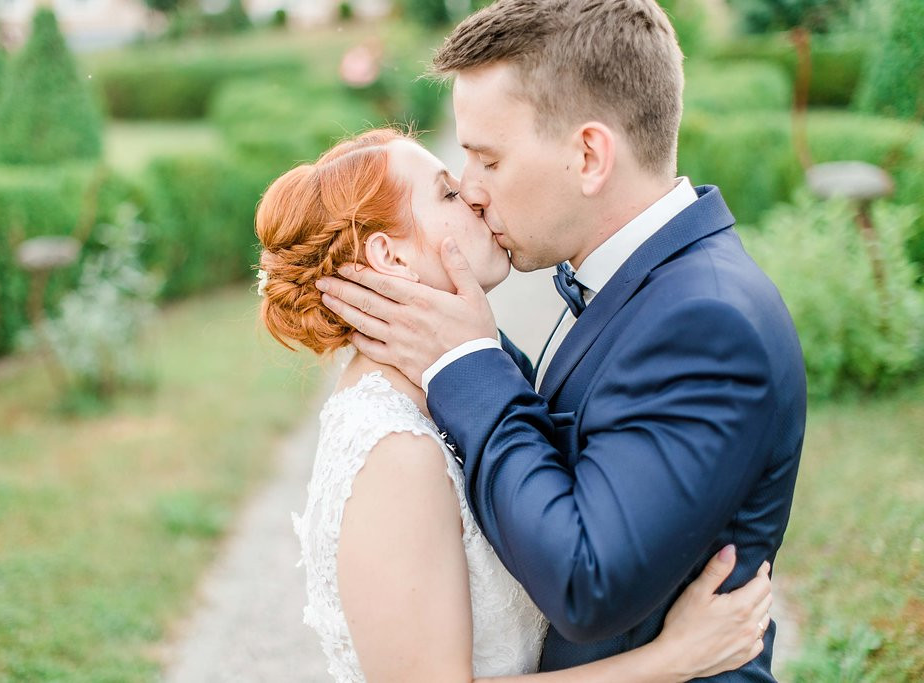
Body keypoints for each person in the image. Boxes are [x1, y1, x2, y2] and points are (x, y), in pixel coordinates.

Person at [314, 1, 807, 680]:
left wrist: (468, 363)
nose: (472, 189)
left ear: (587, 154)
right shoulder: (637, 282)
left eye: (486, 159)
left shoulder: (707, 321)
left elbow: (585, 579)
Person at [258, 128, 773, 682]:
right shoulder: (392, 450)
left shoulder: (443, 390)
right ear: (391, 255)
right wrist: (675, 659)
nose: (474, 197)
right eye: (448, 194)